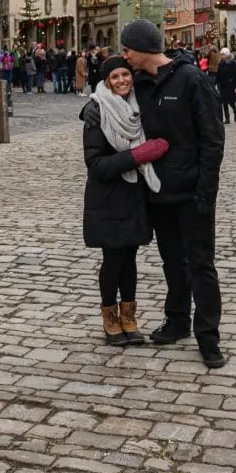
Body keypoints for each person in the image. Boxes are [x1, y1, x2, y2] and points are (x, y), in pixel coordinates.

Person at [121, 18, 226, 369]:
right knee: (172, 263)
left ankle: (208, 336)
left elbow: (212, 140)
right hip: (158, 190)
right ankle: (177, 321)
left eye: (128, 49)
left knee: (201, 265)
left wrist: (206, 190)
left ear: (145, 48)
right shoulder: (138, 84)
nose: (125, 57)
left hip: (192, 191)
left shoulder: (191, 79)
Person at [82, 55, 169, 345]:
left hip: (133, 195)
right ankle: (110, 319)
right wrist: (135, 156)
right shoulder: (97, 111)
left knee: (130, 259)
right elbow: (95, 164)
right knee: (113, 260)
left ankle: (129, 317)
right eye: (114, 77)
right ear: (106, 82)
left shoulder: (137, 106)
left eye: (124, 75)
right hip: (107, 198)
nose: (122, 81)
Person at [217, 47, 236, 123]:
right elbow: (218, 74)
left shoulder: (232, 63)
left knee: (230, 101)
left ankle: (235, 111)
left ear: (227, 55)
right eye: (221, 54)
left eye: (223, 54)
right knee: (224, 102)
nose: (222, 56)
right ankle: (227, 118)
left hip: (230, 84)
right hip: (222, 85)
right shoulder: (220, 63)